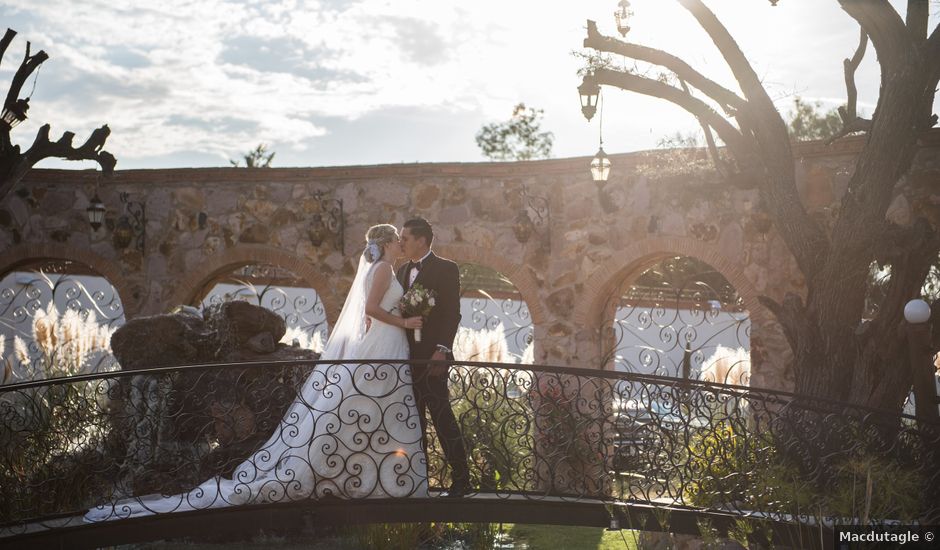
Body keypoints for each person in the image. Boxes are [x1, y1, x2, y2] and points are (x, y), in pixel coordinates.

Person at [86, 224, 428, 521]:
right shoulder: (382, 268)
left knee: (374, 407)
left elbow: (369, 313)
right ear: (386, 243)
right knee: (374, 405)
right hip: (386, 341)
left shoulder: (381, 269)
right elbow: (370, 308)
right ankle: (379, 477)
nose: (402, 244)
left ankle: (373, 474)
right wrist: (405, 321)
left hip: (384, 342)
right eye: (398, 239)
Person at [397, 217, 471, 497]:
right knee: (412, 421)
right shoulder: (402, 271)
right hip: (405, 359)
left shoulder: (446, 268)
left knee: (442, 417)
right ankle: (418, 482)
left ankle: (462, 480)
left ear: (422, 241)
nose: (401, 243)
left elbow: (453, 312)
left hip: (432, 359)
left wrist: (442, 350)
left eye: (405, 238)